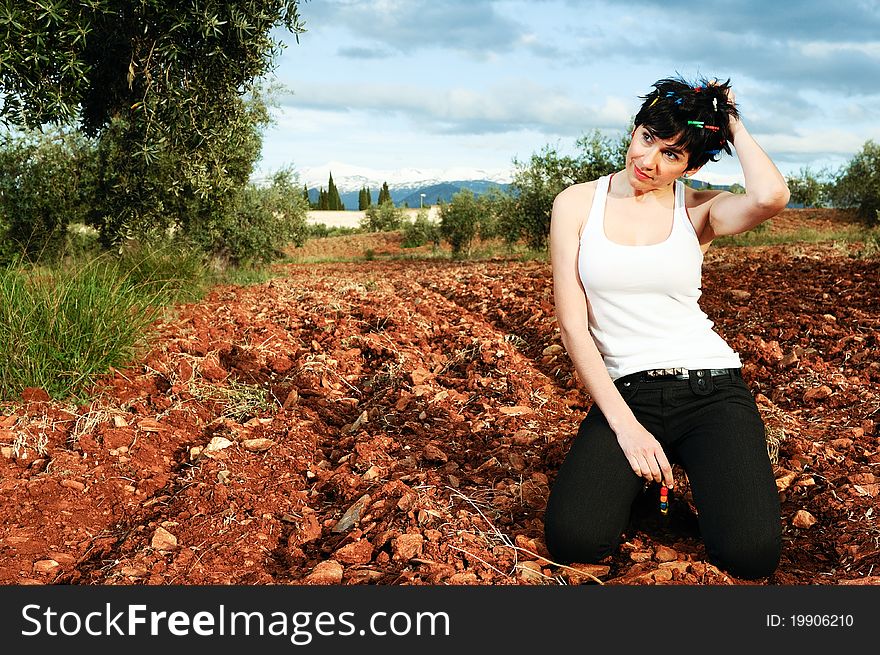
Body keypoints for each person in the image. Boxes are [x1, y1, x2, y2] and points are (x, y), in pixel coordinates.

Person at [543, 76, 789, 580]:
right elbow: (572, 325)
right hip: (629, 391)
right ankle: (647, 482)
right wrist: (626, 428)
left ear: (692, 165)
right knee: (575, 539)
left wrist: (731, 120)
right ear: (635, 130)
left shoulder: (697, 209)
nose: (649, 159)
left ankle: (697, 467)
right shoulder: (576, 203)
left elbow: (770, 196)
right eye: (647, 137)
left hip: (711, 390)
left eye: (672, 154)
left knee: (751, 555)